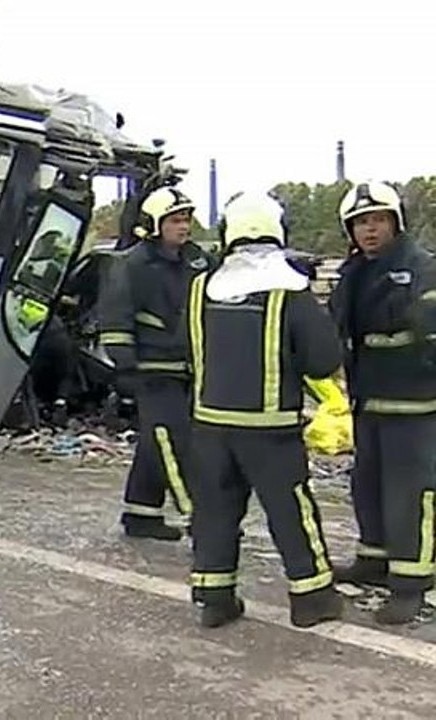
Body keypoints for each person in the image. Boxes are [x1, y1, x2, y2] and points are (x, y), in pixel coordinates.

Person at [184, 191, 343, 629]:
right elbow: (323, 360)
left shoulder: (202, 288)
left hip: (210, 424)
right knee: (291, 510)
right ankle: (312, 597)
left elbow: (191, 351)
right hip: (269, 431)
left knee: (214, 510)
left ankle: (215, 598)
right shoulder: (289, 291)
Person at [328, 180, 436, 624]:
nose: (369, 231)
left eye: (378, 220)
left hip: (415, 405)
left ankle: (412, 581)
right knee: (368, 485)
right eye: (360, 223)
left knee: (410, 495)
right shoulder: (354, 272)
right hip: (368, 401)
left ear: (396, 222)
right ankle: (374, 557)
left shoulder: (422, 268)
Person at [98, 186, 215, 540]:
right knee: (172, 442)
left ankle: (141, 514)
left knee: (155, 441)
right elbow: (116, 318)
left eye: (186, 219)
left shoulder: (199, 260)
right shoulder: (132, 264)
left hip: (189, 370)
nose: (184, 227)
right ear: (154, 225)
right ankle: (203, 518)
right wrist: (126, 367)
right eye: (175, 221)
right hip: (151, 370)